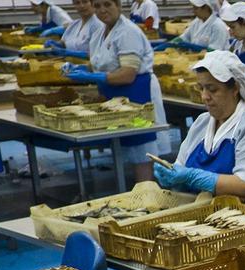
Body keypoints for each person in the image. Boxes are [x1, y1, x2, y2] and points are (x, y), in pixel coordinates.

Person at [155, 51, 245, 218]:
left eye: (213, 89)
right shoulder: (202, 123)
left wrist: (194, 177)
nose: (205, 96)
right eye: (201, 88)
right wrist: (172, 176)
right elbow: (181, 166)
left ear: (235, 88)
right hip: (211, 213)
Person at [64, 0, 168, 183]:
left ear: (119, 6)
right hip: (116, 95)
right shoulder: (99, 33)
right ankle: (132, 191)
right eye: (97, 6)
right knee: (125, 147)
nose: (102, 10)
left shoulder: (128, 31)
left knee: (141, 151)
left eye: (107, 4)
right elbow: (99, 62)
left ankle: (147, 194)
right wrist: (82, 69)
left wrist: (97, 77)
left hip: (137, 94)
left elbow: (128, 74)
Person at [157, 0, 230, 52]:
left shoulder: (218, 26)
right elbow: (184, 37)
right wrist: (170, 44)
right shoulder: (196, 22)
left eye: (196, 8)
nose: (193, 11)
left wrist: (192, 47)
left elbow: (214, 51)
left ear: (206, 8)